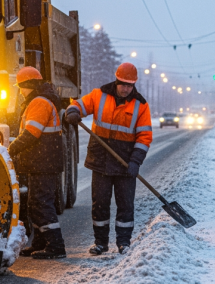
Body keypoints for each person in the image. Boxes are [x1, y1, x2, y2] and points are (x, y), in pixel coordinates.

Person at [64, 62, 153, 255]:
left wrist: (135, 161)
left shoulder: (141, 105)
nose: (125, 89)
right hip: (101, 160)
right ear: (117, 80)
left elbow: (144, 136)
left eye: (129, 85)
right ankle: (101, 243)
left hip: (125, 163)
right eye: (123, 84)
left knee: (125, 205)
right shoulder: (99, 95)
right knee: (100, 204)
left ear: (134, 84)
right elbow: (79, 104)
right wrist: (73, 111)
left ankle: (123, 243)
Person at [8, 66, 66, 259]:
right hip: (41, 162)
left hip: (44, 162)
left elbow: (32, 133)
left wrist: (12, 148)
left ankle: (56, 246)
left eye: (21, 87)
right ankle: (40, 243)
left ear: (28, 85)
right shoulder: (38, 100)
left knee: (42, 203)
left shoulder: (39, 102)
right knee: (35, 203)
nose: (20, 91)